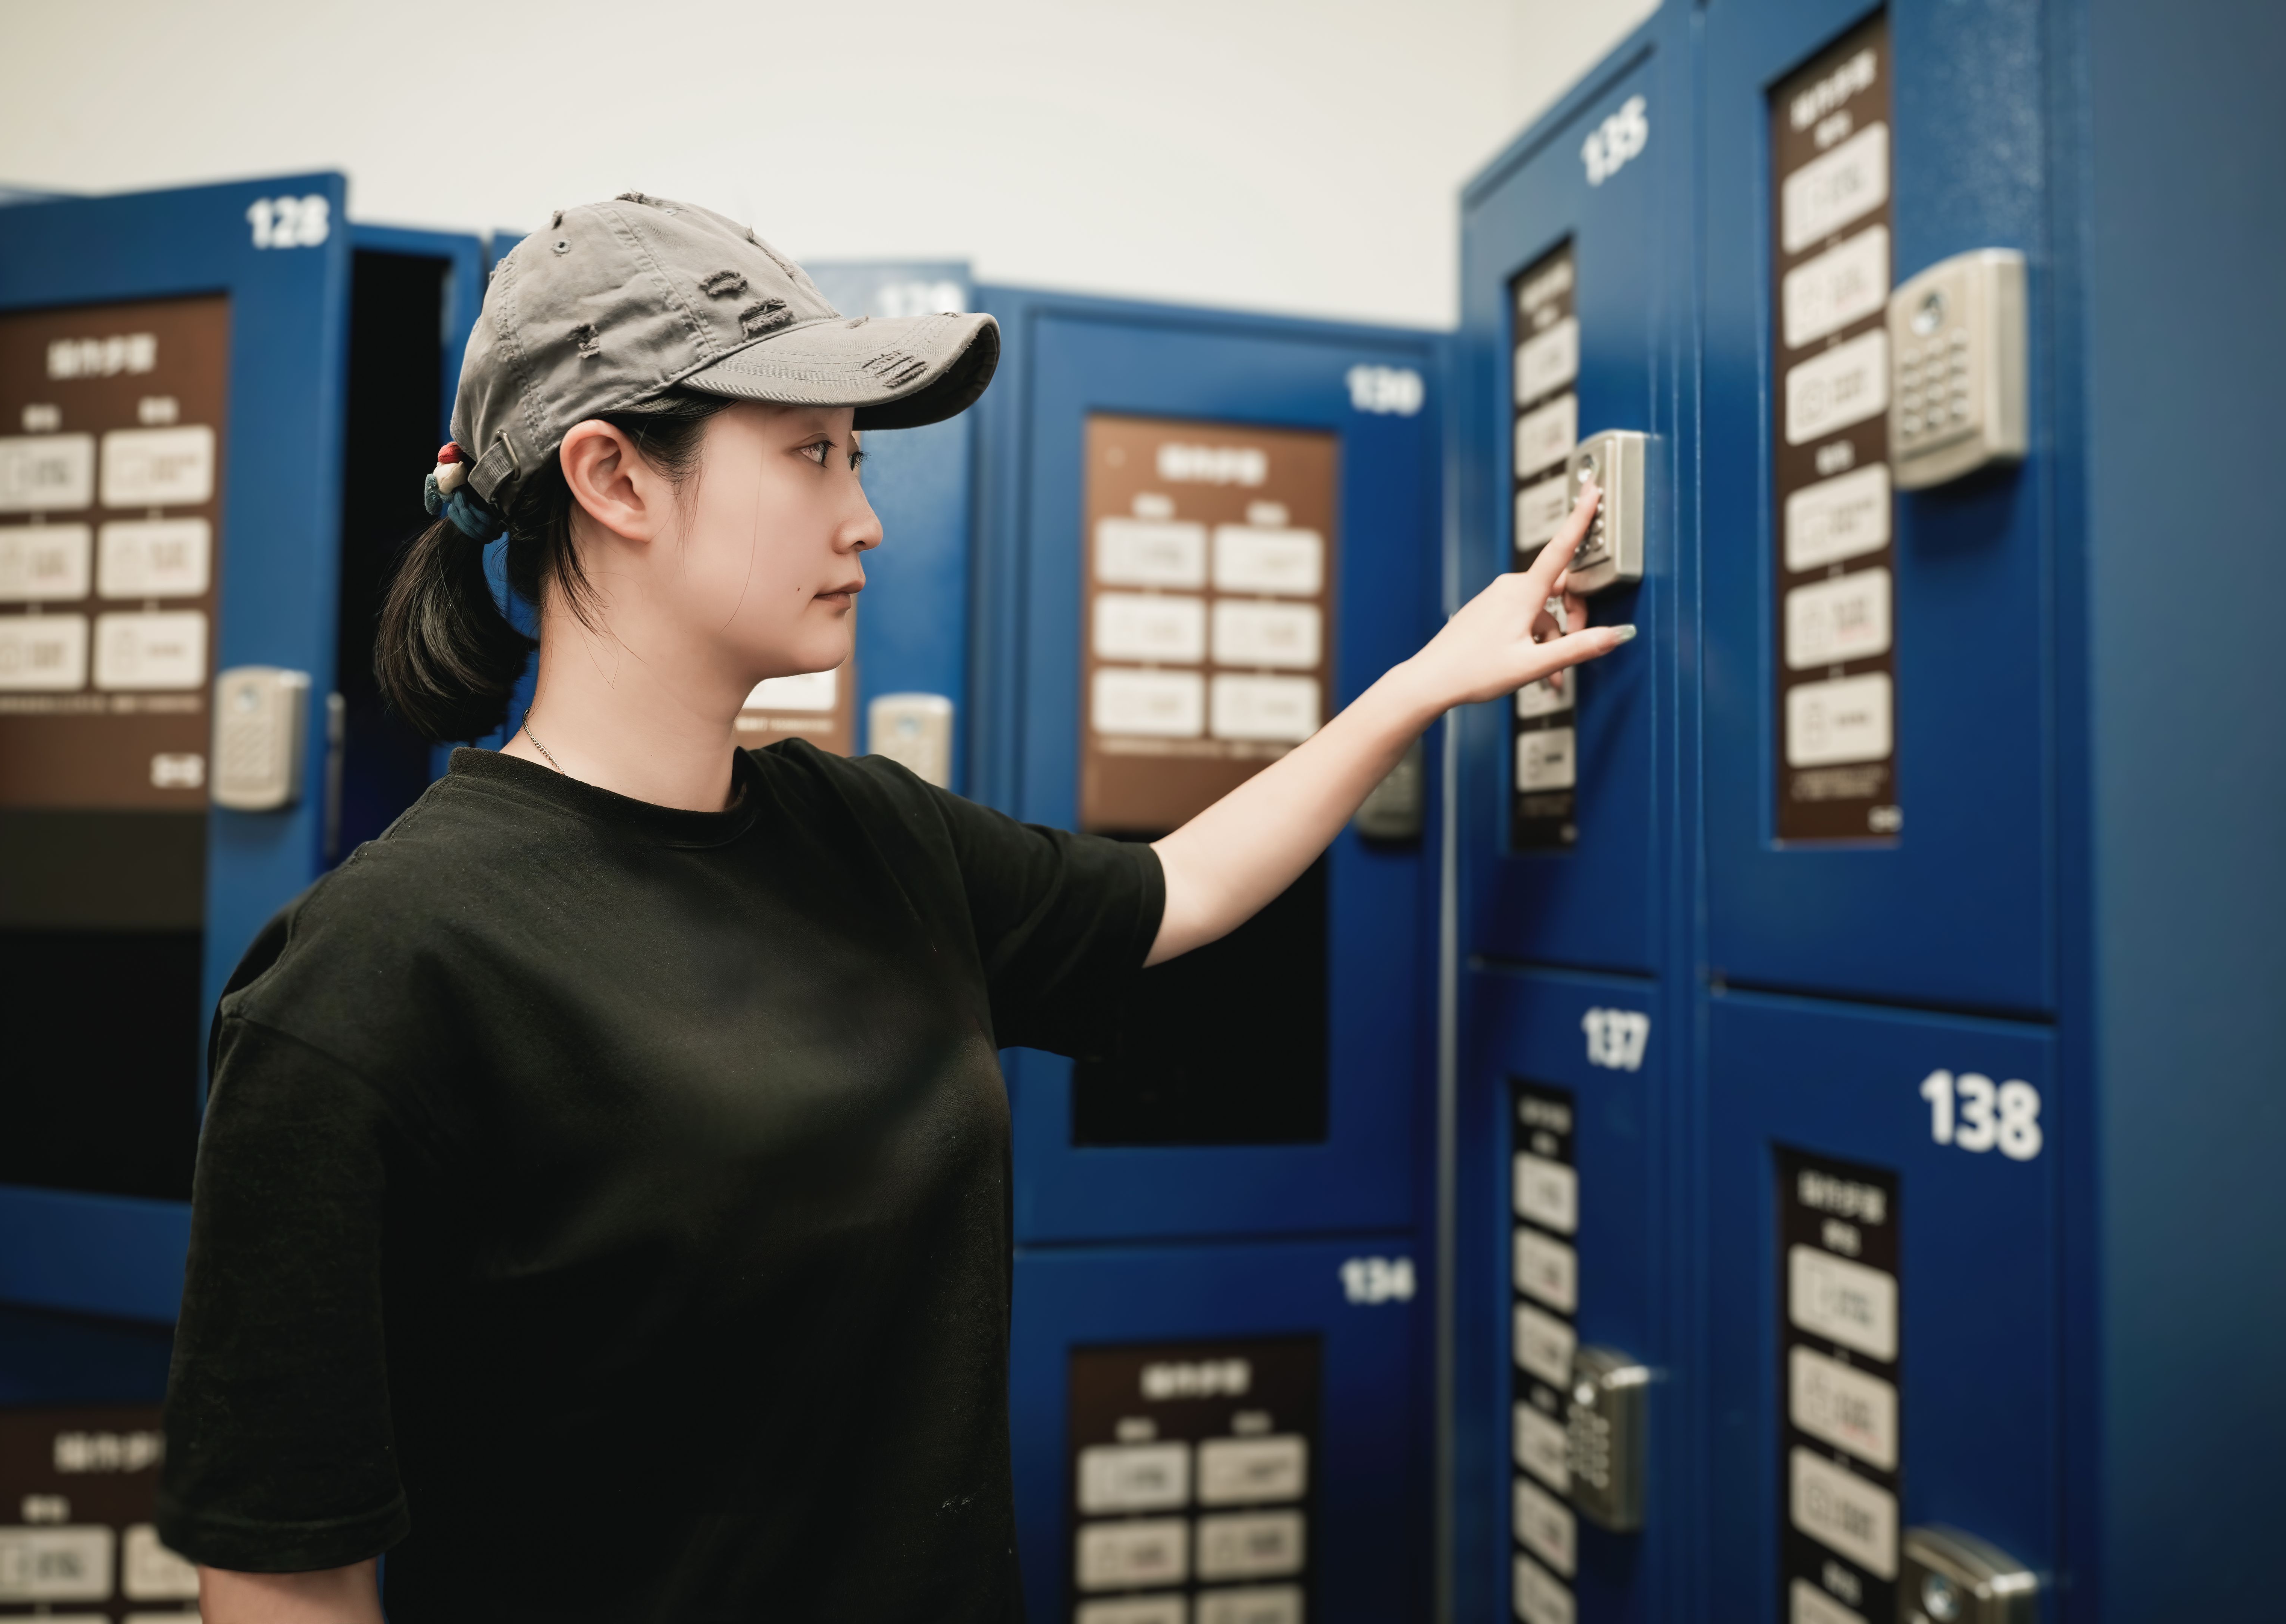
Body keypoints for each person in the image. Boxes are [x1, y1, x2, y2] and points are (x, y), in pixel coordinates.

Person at [153, 194, 1631, 1623]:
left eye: (854, 458)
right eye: (811, 455)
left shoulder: (863, 833)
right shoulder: (375, 974)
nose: (865, 519)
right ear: (612, 479)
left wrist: (1426, 681)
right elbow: (286, 1570)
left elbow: (1175, 890)